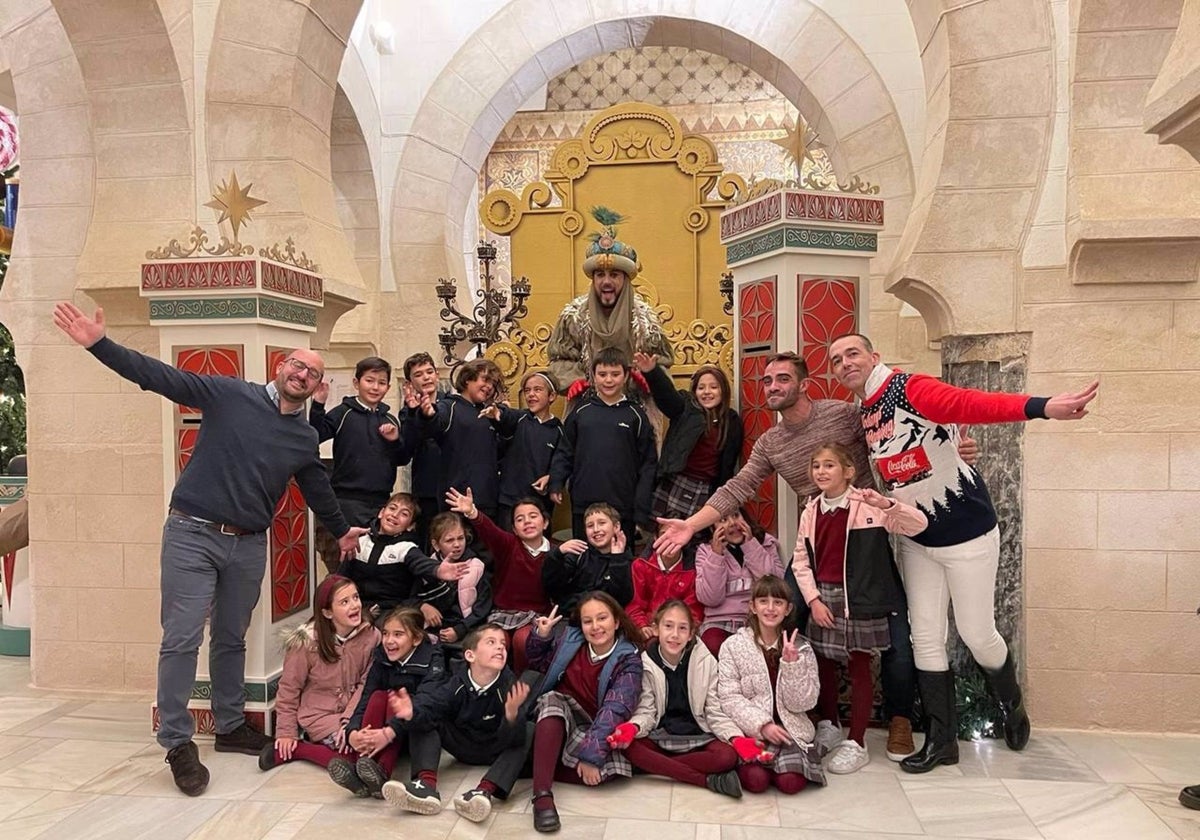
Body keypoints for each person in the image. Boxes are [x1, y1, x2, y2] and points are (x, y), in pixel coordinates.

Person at [52, 301, 367, 797]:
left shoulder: (303, 436)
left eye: (313, 372)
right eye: (297, 365)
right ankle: (177, 742)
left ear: (317, 386)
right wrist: (99, 345)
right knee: (181, 637)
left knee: (231, 636)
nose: (302, 374)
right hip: (192, 533)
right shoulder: (229, 394)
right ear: (281, 367)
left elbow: (316, 489)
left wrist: (342, 529)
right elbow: (160, 377)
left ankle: (228, 724)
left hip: (247, 544)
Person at [827, 332, 1099, 772]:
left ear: (874, 356)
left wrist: (1041, 407)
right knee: (925, 638)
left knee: (976, 633)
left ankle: (1011, 702)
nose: (844, 363)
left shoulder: (908, 388)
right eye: (836, 360)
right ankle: (941, 741)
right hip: (918, 539)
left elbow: (969, 403)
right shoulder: (866, 411)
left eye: (852, 353)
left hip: (967, 533)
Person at [655, 349, 945, 762]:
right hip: (816, 542)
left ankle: (900, 718)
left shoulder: (843, 415)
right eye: (767, 381)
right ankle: (815, 717)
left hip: (868, 538)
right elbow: (737, 487)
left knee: (897, 636)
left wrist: (952, 448)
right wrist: (691, 525)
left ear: (803, 383)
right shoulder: (771, 443)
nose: (773, 387)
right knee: (791, 617)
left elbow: (895, 434)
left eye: (782, 380)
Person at [792, 443, 927, 774]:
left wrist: (887, 504)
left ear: (848, 471)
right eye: (816, 466)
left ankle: (857, 742)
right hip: (823, 596)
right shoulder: (811, 511)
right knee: (822, 662)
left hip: (860, 598)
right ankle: (830, 725)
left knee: (859, 666)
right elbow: (800, 561)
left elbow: (918, 525)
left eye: (829, 465)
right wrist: (813, 600)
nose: (821, 472)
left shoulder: (867, 505)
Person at [379, 623, 535, 821]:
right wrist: (410, 713)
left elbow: (514, 740)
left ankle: (483, 791)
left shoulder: (509, 684)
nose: (500, 648)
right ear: (470, 656)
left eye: (503, 644)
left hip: (495, 748)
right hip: (463, 746)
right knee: (425, 717)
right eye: (491, 642)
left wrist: (512, 714)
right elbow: (433, 705)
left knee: (528, 728)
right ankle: (425, 785)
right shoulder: (456, 683)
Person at [525, 593, 644, 834]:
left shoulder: (629, 658)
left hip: (593, 724)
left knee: (608, 774)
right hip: (558, 716)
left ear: (617, 621)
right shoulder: (571, 642)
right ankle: (542, 796)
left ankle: (537, 768)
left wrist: (591, 756)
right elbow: (539, 664)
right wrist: (542, 636)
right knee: (552, 701)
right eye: (587, 621)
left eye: (602, 618)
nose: (595, 627)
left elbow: (615, 709)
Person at [606, 600, 742, 797]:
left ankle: (656, 766)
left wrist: (735, 738)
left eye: (682, 628)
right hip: (661, 734)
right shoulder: (646, 662)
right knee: (630, 748)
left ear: (690, 635)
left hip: (698, 734)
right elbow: (647, 711)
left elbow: (714, 711)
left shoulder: (706, 661)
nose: (675, 635)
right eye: (668, 626)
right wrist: (633, 727)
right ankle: (705, 780)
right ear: (656, 629)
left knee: (727, 757)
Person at [716, 575, 825, 794]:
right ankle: (758, 764)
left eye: (778, 602)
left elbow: (804, 703)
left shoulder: (802, 648)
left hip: (790, 731)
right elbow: (729, 698)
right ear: (753, 607)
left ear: (788, 609)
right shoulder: (733, 646)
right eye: (763, 601)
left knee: (790, 784)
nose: (770, 608)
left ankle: (786, 761)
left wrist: (792, 665)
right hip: (751, 731)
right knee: (756, 782)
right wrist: (762, 725)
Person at [547, 206, 673, 392]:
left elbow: (663, 362)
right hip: (588, 403)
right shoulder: (573, 316)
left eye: (614, 275)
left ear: (625, 279)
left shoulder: (646, 320)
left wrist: (650, 376)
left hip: (635, 404)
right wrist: (574, 381)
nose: (606, 282)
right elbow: (558, 360)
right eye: (600, 275)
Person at [260, 576, 379, 771]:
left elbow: (365, 684)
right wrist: (286, 732)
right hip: (319, 716)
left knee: (373, 748)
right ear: (327, 612)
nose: (355, 605)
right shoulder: (305, 642)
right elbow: (289, 688)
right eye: (344, 602)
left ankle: (309, 748)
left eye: (356, 597)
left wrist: (349, 723)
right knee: (352, 757)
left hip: (355, 711)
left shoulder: (371, 635)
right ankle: (298, 749)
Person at [329, 606, 446, 799]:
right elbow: (366, 698)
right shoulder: (381, 659)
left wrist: (389, 732)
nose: (389, 641)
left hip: (417, 735)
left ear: (416, 639)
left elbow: (425, 703)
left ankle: (382, 770)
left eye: (398, 634)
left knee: (402, 702)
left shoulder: (433, 660)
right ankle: (365, 767)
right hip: (382, 735)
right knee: (378, 697)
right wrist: (353, 732)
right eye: (385, 634)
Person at [548, 347, 657, 548]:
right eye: (603, 374)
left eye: (615, 374)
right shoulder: (581, 411)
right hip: (584, 502)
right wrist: (556, 482)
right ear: (593, 376)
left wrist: (641, 505)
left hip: (623, 504)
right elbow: (565, 451)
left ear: (625, 376)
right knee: (584, 559)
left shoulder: (636, 415)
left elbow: (648, 463)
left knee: (620, 560)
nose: (609, 380)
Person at [446, 488, 554, 672]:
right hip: (503, 613)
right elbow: (490, 531)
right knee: (493, 642)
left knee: (523, 641)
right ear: (514, 529)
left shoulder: (555, 552)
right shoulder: (509, 545)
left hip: (536, 615)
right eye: (520, 519)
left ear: (545, 522)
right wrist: (472, 512)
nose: (527, 521)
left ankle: (522, 685)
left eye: (533, 516)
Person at [634, 352, 742, 532]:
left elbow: (728, 464)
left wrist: (722, 498)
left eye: (713, 387)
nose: (707, 392)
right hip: (674, 482)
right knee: (664, 535)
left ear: (723, 390)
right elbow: (667, 397)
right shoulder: (686, 408)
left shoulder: (731, 421)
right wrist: (652, 372)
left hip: (705, 490)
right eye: (701, 388)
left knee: (695, 538)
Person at [308, 356, 407, 528]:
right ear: (356, 383)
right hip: (347, 500)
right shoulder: (343, 413)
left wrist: (395, 440)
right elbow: (315, 436)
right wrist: (318, 405)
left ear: (388, 387)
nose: (375, 387)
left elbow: (401, 459)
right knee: (349, 552)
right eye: (369, 381)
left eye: (382, 383)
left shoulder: (391, 419)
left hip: (381, 501)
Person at [410, 357, 512, 521]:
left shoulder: (489, 413)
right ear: (467, 379)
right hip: (456, 503)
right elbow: (434, 423)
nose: (489, 387)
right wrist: (427, 414)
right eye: (485, 379)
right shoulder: (449, 407)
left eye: (492, 384)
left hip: (488, 502)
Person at [338, 493, 467, 617]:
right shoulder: (360, 541)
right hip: (358, 608)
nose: (395, 515)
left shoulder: (406, 548)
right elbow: (340, 579)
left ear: (410, 526)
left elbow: (420, 562)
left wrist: (438, 570)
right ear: (381, 513)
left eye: (404, 514)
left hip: (393, 612)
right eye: (392, 508)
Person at [694, 509, 783, 656]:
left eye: (736, 515)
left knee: (763, 652)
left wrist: (751, 547)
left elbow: (775, 587)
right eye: (723, 520)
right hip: (719, 622)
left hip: (757, 620)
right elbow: (710, 598)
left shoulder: (765, 543)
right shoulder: (705, 551)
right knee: (713, 647)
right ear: (712, 528)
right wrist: (716, 555)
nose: (732, 523)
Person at [410, 511, 491, 647]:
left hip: (466, 629)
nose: (457, 545)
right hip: (433, 628)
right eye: (450, 540)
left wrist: (460, 630)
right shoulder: (429, 567)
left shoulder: (476, 567)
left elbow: (483, 608)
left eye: (460, 538)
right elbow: (410, 598)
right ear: (436, 545)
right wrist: (422, 607)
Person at [541, 502, 634, 621]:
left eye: (602, 523)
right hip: (572, 620)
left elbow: (622, 598)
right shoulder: (577, 554)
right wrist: (557, 555)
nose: (596, 529)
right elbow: (552, 588)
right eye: (590, 525)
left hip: (608, 623)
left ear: (616, 527)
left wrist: (617, 560)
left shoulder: (626, 560)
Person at [497, 369, 563, 527]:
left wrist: (550, 478)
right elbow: (505, 415)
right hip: (509, 501)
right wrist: (497, 411)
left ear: (552, 396)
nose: (531, 394)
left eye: (538, 390)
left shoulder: (559, 430)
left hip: (539, 504)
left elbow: (562, 463)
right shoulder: (519, 418)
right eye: (527, 390)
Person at [398, 352, 444, 543]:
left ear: (437, 375)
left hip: (453, 487)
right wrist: (413, 413)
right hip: (425, 490)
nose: (426, 377)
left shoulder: (452, 406)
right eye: (418, 374)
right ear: (409, 383)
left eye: (429, 372)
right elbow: (406, 451)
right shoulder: (407, 412)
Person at [625, 532, 702, 640]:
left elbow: (693, 609)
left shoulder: (693, 570)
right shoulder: (640, 565)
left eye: (675, 535)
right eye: (664, 535)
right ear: (656, 538)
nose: (670, 541)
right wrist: (642, 625)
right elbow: (634, 604)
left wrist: (679, 629)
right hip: (649, 628)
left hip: (679, 630)